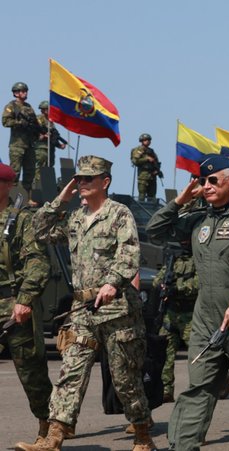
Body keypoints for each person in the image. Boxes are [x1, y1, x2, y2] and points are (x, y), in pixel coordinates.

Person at [19, 155, 156, 451]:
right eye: (78, 179)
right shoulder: (76, 218)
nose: (81, 183)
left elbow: (129, 254)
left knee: (124, 378)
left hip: (117, 310)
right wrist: (61, 198)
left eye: (87, 179)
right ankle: (54, 437)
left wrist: (112, 283)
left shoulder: (120, 214)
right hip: (82, 311)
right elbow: (38, 231)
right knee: (71, 371)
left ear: (104, 182)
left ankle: (143, 434)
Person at [147, 155, 229, 450]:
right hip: (205, 319)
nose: (206, 186)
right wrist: (179, 201)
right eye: (202, 181)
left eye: (212, 180)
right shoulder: (197, 220)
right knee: (199, 388)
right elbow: (155, 230)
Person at [0, 163, 52, 448]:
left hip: (13, 304)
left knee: (32, 374)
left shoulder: (21, 220)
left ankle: (49, 428)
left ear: (8, 185)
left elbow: (37, 262)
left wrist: (24, 299)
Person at [155, 243, 198, 404]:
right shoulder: (171, 261)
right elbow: (157, 280)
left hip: (190, 315)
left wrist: (178, 288)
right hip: (171, 314)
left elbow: (199, 283)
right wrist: (164, 285)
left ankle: (215, 381)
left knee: (198, 354)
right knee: (165, 353)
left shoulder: (197, 258)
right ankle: (166, 389)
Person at [2, 82, 40, 192]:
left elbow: (35, 123)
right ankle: (9, 201)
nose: (25, 93)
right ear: (16, 93)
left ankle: (25, 198)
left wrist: (38, 132)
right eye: (22, 91)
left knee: (30, 172)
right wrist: (19, 123)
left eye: (25, 91)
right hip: (17, 145)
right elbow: (5, 122)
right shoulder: (11, 106)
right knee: (15, 172)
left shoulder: (28, 107)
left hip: (29, 144)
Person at [33, 101, 66, 187]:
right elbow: (34, 131)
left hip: (50, 148)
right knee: (40, 167)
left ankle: (48, 185)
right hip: (41, 147)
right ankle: (37, 185)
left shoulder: (51, 122)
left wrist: (59, 145)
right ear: (43, 110)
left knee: (50, 166)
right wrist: (43, 136)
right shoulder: (39, 119)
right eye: (48, 109)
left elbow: (53, 137)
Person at [130, 133, 161, 201]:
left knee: (152, 196)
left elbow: (156, 162)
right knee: (142, 195)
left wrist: (157, 170)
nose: (148, 141)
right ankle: (140, 210)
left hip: (152, 176)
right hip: (143, 176)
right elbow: (135, 161)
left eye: (149, 140)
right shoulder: (138, 150)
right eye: (146, 140)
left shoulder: (151, 151)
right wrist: (146, 159)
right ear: (142, 141)